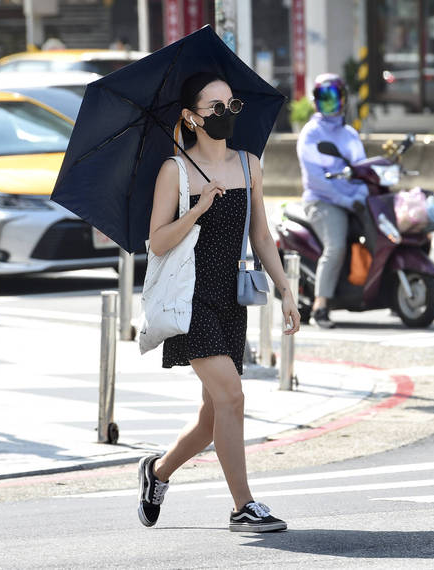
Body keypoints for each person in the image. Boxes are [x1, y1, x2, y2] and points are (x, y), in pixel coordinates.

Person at [139, 72, 301, 533]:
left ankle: (156, 473)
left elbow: (262, 235)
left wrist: (285, 290)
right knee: (232, 396)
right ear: (190, 118)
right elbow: (156, 242)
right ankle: (242, 507)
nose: (225, 115)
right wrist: (195, 210)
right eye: (215, 108)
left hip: (230, 299)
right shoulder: (176, 171)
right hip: (189, 301)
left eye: (232, 106)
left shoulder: (250, 165)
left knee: (214, 415)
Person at [296, 73, 368, 329]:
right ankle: (320, 306)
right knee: (336, 246)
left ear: (343, 100)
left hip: (352, 200)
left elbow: (361, 169)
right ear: (315, 101)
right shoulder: (311, 134)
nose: (328, 103)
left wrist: (360, 193)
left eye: (333, 98)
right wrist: (346, 199)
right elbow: (317, 180)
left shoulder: (349, 133)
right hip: (322, 202)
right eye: (322, 98)